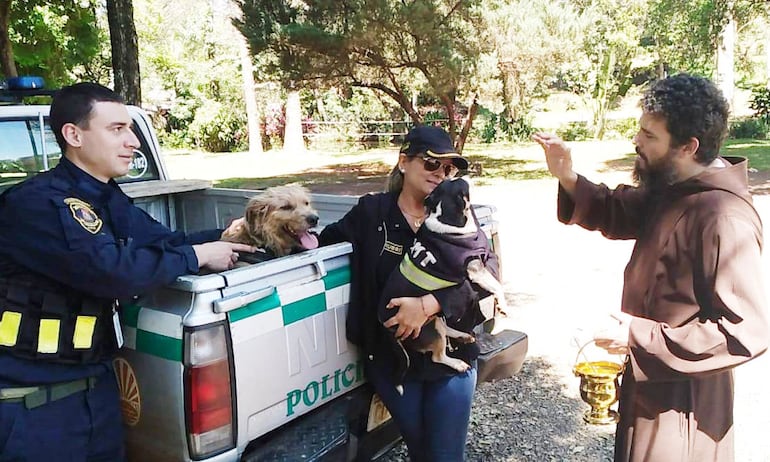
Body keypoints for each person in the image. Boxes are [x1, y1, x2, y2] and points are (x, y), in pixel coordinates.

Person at [0, 82, 254, 461]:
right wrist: (199, 254)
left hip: (97, 389)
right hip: (33, 405)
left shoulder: (103, 196)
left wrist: (230, 235)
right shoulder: (36, 205)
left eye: (131, 129)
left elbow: (163, 241)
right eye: (117, 129)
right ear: (74, 135)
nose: (132, 141)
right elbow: (112, 273)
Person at [533, 74, 769, 461]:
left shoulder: (723, 217)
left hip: (685, 406)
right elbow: (617, 209)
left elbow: (745, 332)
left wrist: (639, 336)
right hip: (649, 383)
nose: (636, 141)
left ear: (688, 146)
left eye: (649, 135)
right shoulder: (675, 187)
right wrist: (567, 176)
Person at [319, 125, 498, 461]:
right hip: (393, 360)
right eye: (431, 163)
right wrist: (257, 236)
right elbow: (319, 241)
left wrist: (429, 304)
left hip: (451, 358)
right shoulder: (372, 213)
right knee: (421, 453)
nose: (440, 174)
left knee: (444, 457)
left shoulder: (459, 211)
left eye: (448, 168)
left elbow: (488, 277)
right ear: (404, 162)